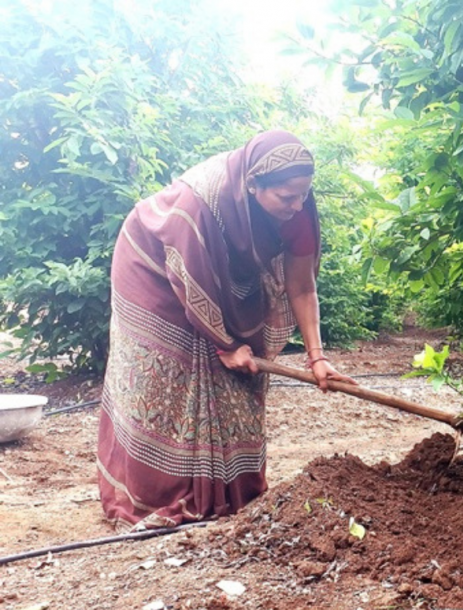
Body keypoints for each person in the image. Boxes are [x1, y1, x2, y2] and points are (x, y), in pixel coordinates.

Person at [97, 130, 355, 531]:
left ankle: (235, 490)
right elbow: (189, 274)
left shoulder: (297, 209)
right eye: (286, 197)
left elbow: (302, 287)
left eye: (303, 194)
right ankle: (162, 494)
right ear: (252, 185)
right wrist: (226, 343)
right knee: (175, 377)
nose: (297, 204)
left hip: (212, 278)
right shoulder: (197, 204)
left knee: (239, 380)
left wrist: (317, 357)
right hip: (153, 265)